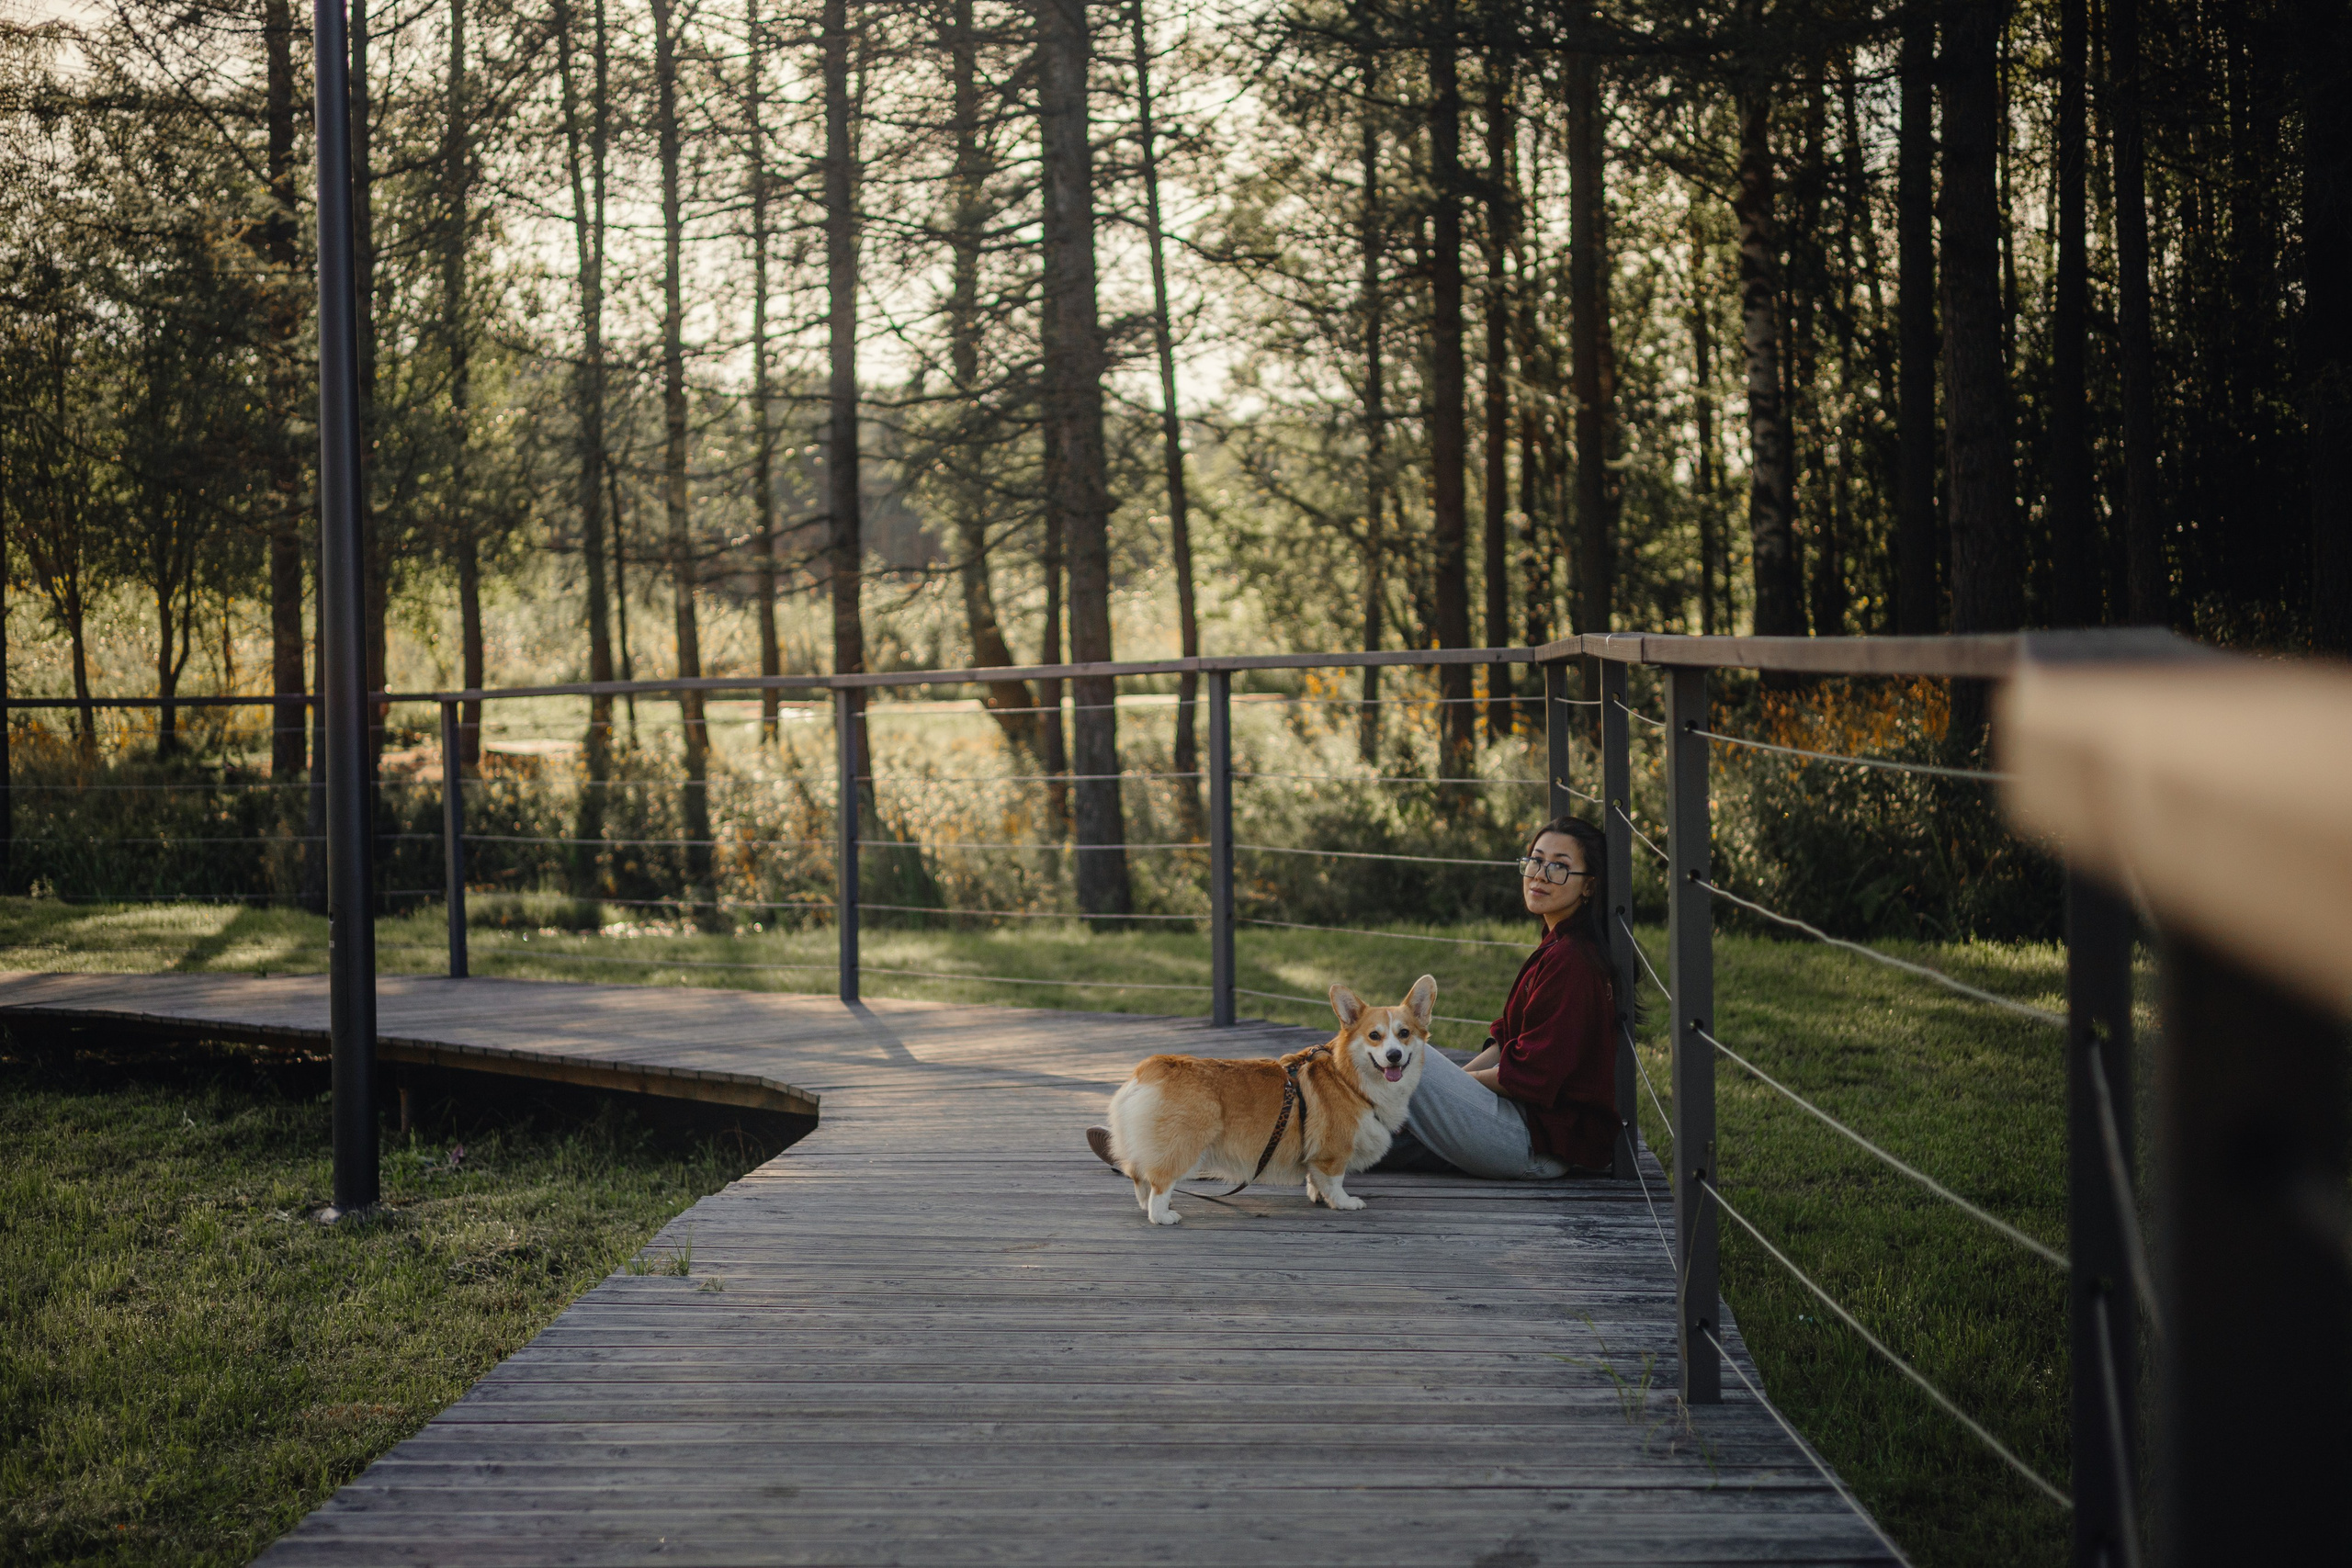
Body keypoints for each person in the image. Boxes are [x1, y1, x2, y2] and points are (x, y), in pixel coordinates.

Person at [1374, 815, 1620, 1179]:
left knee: (1404, 1053)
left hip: (1536, 1144)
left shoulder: (1573, 962)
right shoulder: (1559, 945)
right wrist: (1449, 1093)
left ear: (1589, 887)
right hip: (1516, 1126)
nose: (1539, 874)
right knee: (1367, 1139)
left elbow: (1530, 1076)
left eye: (1559, 867)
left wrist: (1446, 1090)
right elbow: (1507, 1040)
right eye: (1535, 860)